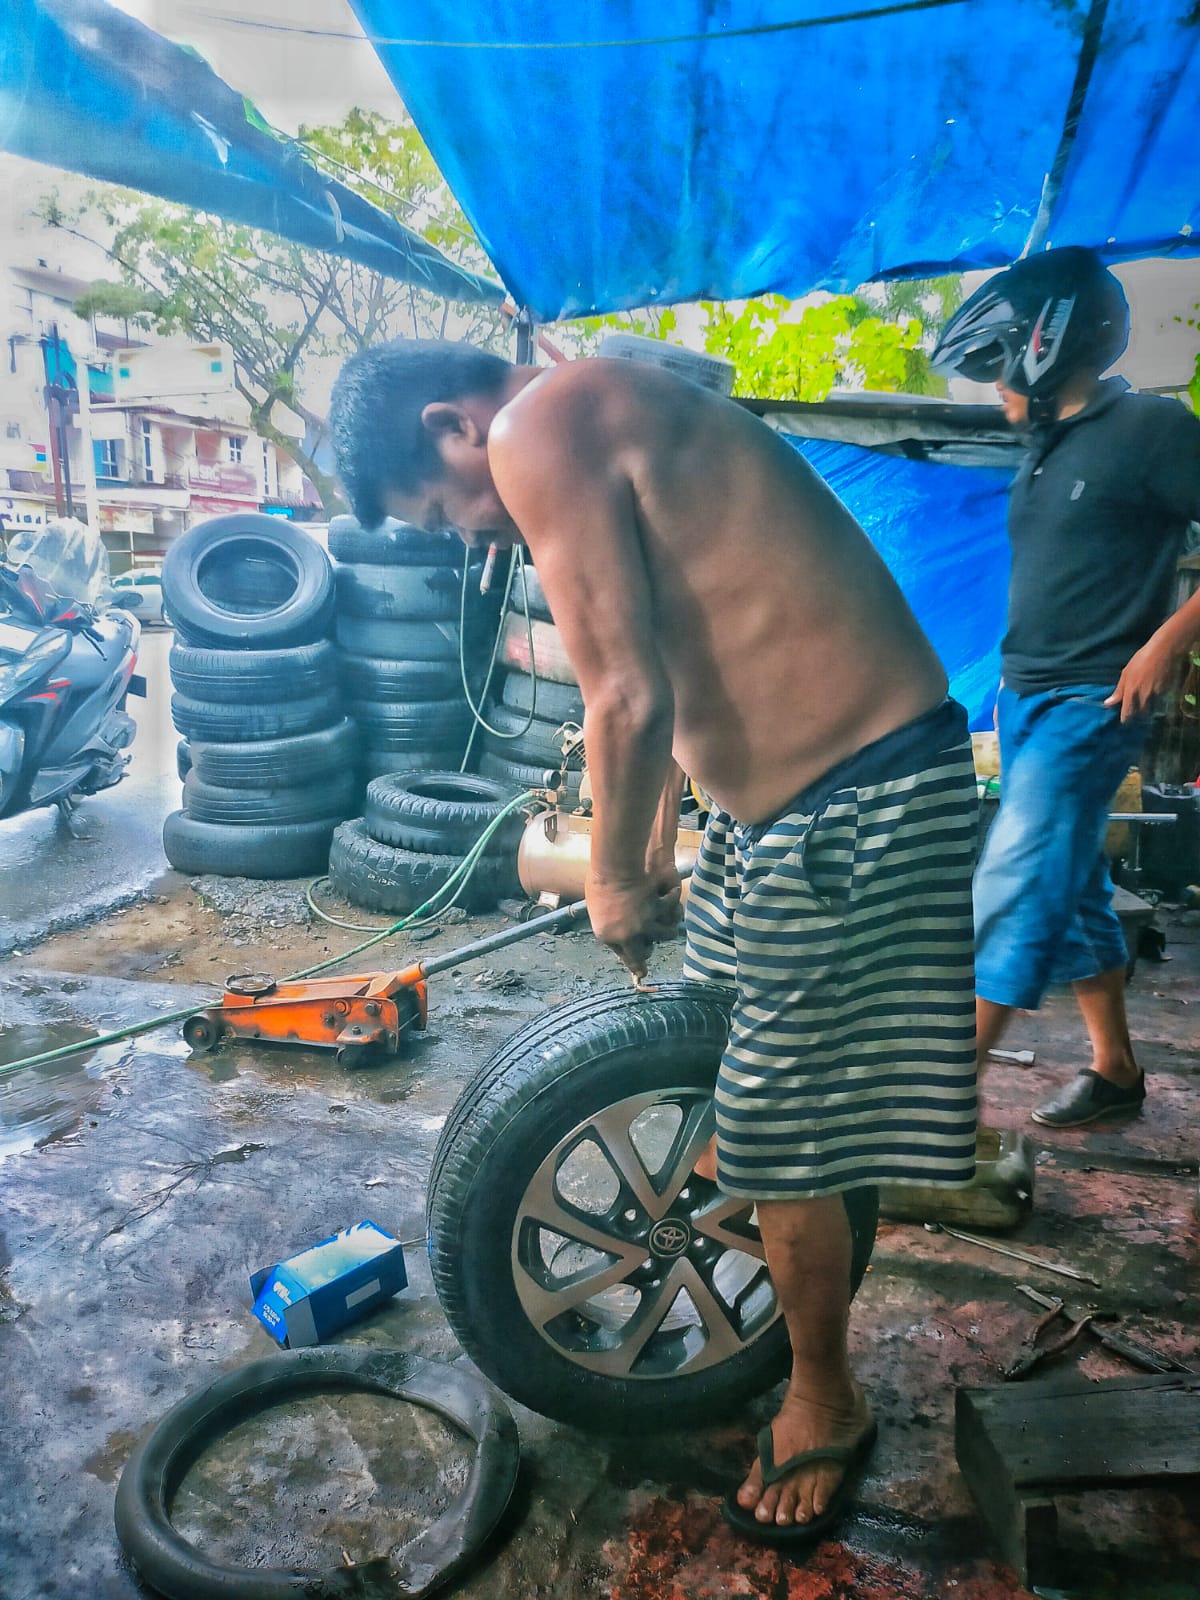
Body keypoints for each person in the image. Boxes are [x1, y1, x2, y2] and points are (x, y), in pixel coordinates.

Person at [329, 339, 979, 1545]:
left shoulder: (536, 424)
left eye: (442, 510)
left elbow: (623, 693)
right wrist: (668, 825)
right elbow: (675, 655)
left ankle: (826, 1397)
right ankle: (798, 1213)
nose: (471, 535)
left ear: (448, 427)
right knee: (732, 1066)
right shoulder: (590, 406)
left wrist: (619, 873)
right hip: (778, 808)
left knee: (782, 1123)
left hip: (855, 797)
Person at [933, 247, 1200, 1127]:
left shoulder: (1155, 429)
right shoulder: (1046, 446)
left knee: (1013, 878)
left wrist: (1165, 643)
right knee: (1074, 882)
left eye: (996, 368)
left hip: (1094, 700)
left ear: (1042, 351)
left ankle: (939, 1099)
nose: (993, 389)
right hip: (1027, 698)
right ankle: (1116, 1070)